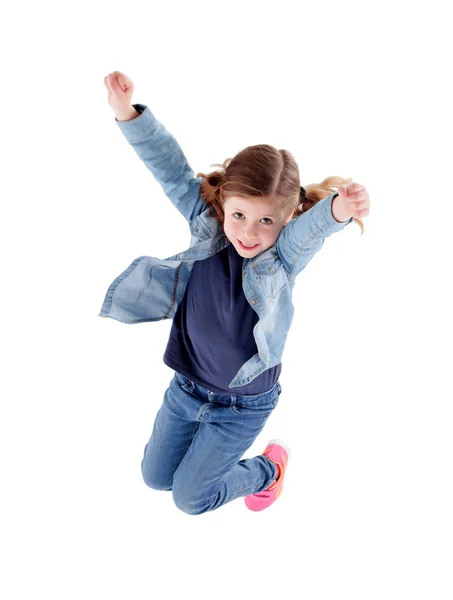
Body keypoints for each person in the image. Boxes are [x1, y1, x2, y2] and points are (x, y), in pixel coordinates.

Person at [100, 71, 370, 515]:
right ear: (224, 200)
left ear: (284, 220)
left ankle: (267, 472)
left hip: (241, 407)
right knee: (155, 479)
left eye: (266, 221)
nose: (248, 231)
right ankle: (213, 463)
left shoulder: (281, 259)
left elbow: (310, 232)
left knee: (190, 499)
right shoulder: (205, 223)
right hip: (186, 388)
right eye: (239, 214)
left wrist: (338, 210)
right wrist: (127, 113)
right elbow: (169, 168)